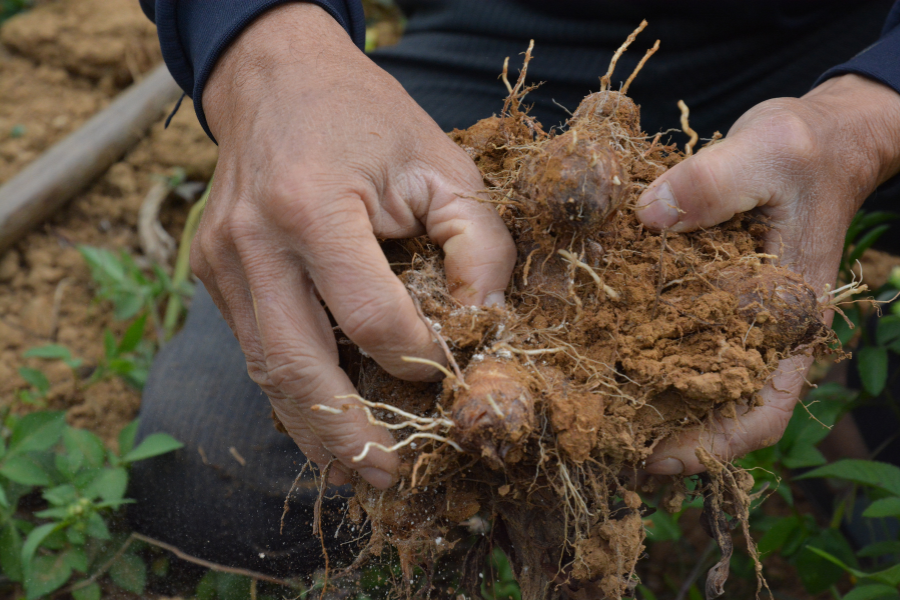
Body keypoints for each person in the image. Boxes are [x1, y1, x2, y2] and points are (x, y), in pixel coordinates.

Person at [131, 0, 900, 576]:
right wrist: (268, 51)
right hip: (512, 23)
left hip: (851, 45)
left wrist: (870, 117)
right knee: (215, 480)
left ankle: (825, 353)